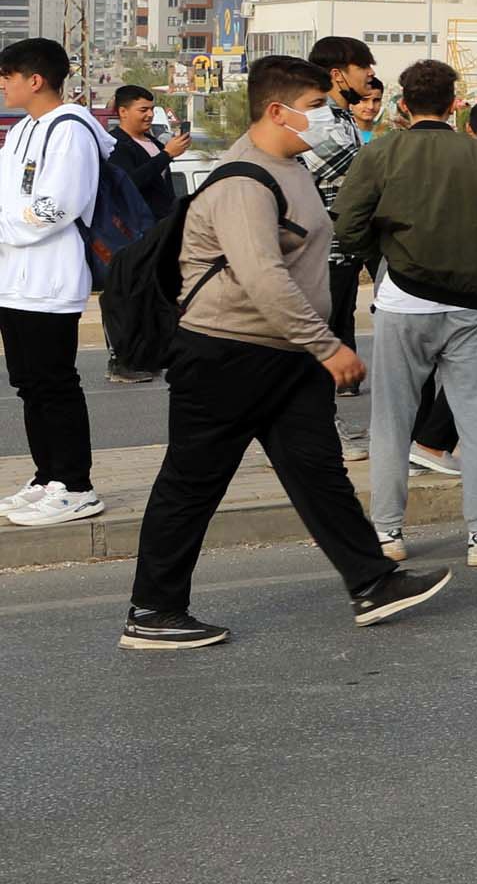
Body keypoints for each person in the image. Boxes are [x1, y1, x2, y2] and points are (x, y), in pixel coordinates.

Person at [118, 55, 453, 650]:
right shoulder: (245, 180)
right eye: (317, 106)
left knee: (318, 473)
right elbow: (263, 277)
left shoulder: (289, 164)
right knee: (193, 482)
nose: (327, 115)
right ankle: (153, 611)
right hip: (227, 353)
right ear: (278, 111)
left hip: (284, 355)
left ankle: (373, 582)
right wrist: (328, 347)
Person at [333, 57, 477, 568]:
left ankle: (388, 533)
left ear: (402, 104)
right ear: (452, 105)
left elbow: (348, 225)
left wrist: (383, 264)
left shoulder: (380, 153)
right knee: (475, 421)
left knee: (392, 421)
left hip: (402, 302)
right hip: (472, 307)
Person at [0, 36, 108, 528]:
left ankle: (77, 485)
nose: (3, 85)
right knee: (27, 383)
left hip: (52, 278)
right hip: (14, 279)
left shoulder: (71, 131)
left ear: (35, 79)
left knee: (55, 383)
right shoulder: (23, 129)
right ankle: (48, 476)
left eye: (8, 76)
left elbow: (56, 207)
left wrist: (7, 221)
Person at [303, 34, 380, 364]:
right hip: (324, 254)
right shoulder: (319, 121)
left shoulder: (342, 118)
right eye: (362, 65)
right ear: (337, 75)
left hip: (344, 248)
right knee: (325, 339)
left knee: (340, 326)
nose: (369, 73)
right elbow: (360, 173)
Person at [104, 86, 179, 212]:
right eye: (143, 110)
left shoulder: (154, 142)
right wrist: (166, 155)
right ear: (123, 112)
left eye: (152, 109)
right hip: (139, 224)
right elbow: (129, 183)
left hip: (164, 223)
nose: (150, 115)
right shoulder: (115, 144)